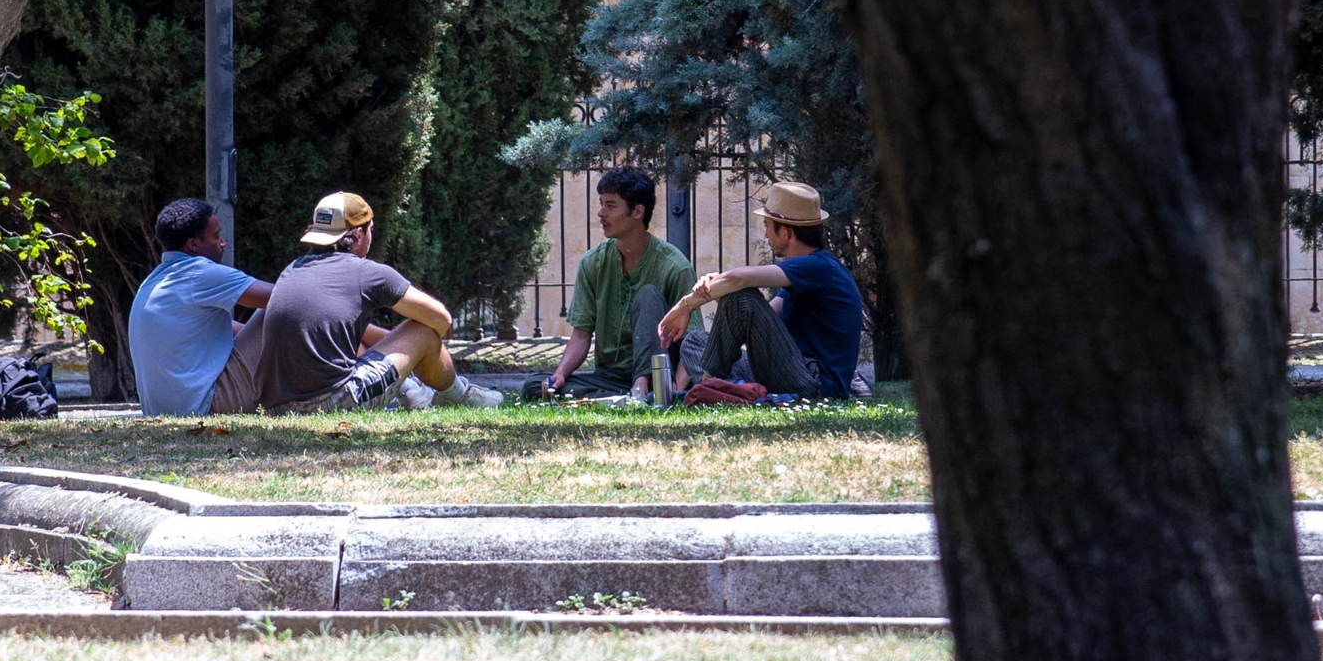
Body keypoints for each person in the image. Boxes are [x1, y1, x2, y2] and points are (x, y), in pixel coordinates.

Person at [255, 191, 503, 413]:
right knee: (422, 330)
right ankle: (459, 395)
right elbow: (442, 319)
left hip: (274, 407)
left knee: (358, 342)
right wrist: (424, 354)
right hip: (330, 404)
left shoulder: (292, 269)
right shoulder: (366, 273)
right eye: (370, 228)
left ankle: (412, 391)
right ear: (360, 233)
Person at [657, 182, 867, 400]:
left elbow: (741, 283)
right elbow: (761, 317)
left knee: (742, 295)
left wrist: (686, 305)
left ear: (785, 232)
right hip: (792, 372)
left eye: (767, 225)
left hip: (815, 384)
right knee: (696, 341)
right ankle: (729, 391)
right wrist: (723, 289)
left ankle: (710, 391)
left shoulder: (819, 267)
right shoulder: (806, 272)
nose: (766, 235)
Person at [528, 166, 701, 400]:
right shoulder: (593, 262)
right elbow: (581, 335)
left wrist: (675, 392)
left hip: (661, 376)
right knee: (534, 386)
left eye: (610, 206)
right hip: (610, 376)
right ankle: (628, 398)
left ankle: (644, 388)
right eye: (601, 203)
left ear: (638, 211)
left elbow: (693, 342)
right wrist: (559, 374)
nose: (601, 213)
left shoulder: (674, 267)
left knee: (649, 295)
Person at [128, 198, 275, 416]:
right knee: (276, 309)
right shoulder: (200, 273)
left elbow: (210, 329)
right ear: (193, 245)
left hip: (163, 410)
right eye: (216, 236)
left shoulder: (154, 280)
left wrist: (256, 343)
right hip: (207, 405)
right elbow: (285, 296)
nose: (223, 243)